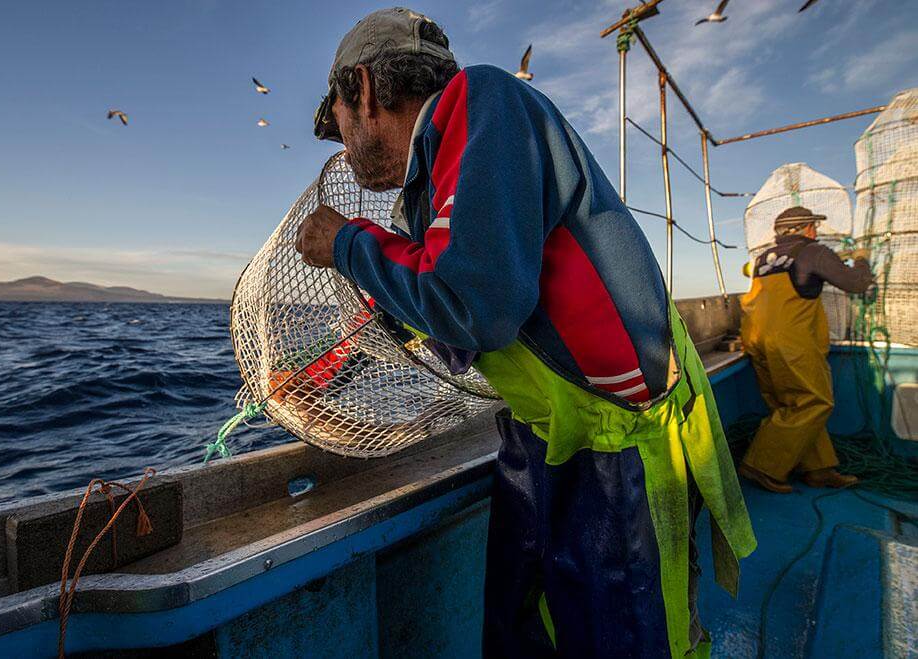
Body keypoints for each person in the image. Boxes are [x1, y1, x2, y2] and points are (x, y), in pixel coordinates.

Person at [295, 8, 755, 657]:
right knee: (520, 630)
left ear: (365, 91)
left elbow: (473, 303)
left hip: (615, 448)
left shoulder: (481, 104)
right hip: (544, 432)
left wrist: (346, 242)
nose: (341, 146)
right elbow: (460, 324)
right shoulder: (439, 178)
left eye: (338, 124)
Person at [739, 206, 874, 493]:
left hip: (755, 339)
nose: (816, 231)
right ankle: (761, 466)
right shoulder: (814, 252)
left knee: (789, 405)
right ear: (805, 228)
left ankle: (819, 469)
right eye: (813, 226)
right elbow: (856, 283)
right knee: (813, 402)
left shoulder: (764, 258)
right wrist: (862, 259)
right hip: (791, 342)